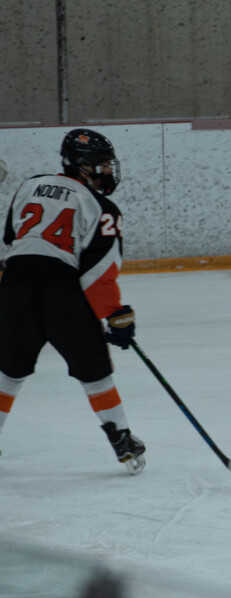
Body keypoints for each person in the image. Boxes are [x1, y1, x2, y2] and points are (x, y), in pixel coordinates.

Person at [0, 128, 146, 473]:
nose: (107, 172)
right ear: (81, 165)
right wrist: (115, 315)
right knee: (95, 371)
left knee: (7, 370)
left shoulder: (27, 186)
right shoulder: (102, 206)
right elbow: (99, 270)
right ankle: (122, 441)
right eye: (101, 165)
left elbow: (10, 241)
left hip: (14, 290)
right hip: (62, 294)